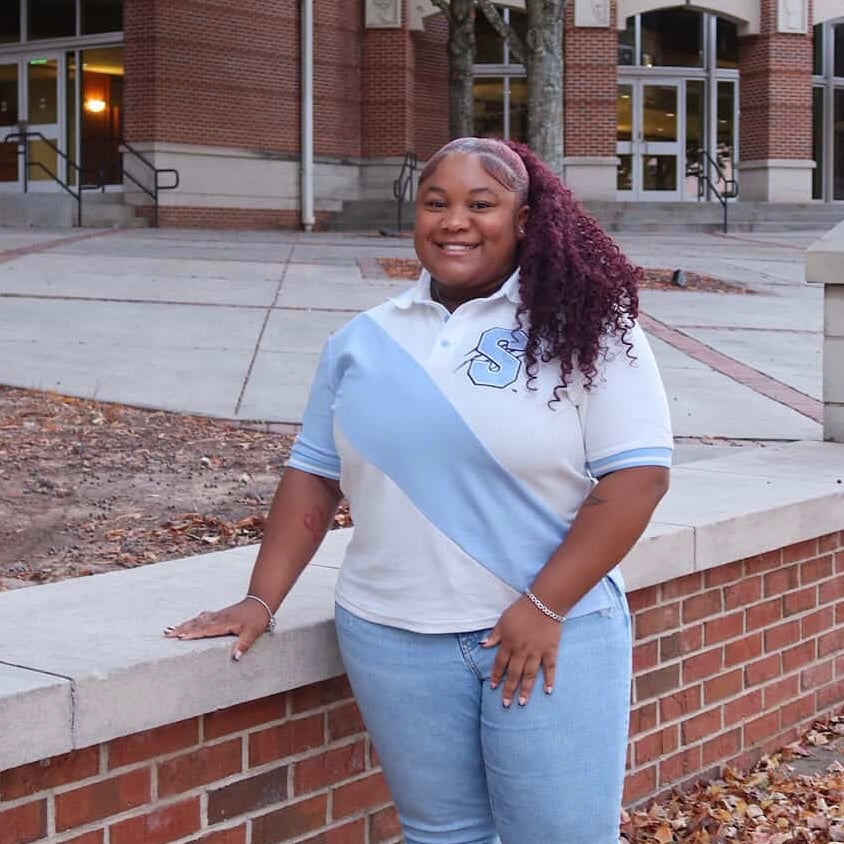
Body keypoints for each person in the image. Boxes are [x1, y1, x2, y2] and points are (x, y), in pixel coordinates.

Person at [166, 137, 673, 844]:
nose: (454, 220)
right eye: (436, 203)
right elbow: (314, 474)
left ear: (525, 219)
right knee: (443, 837)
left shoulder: (588, 328)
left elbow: (638, 478)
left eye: (481, 203)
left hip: (548, 635)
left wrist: (543, 605)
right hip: (392, 639)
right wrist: (261, 597)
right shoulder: (362, 341)